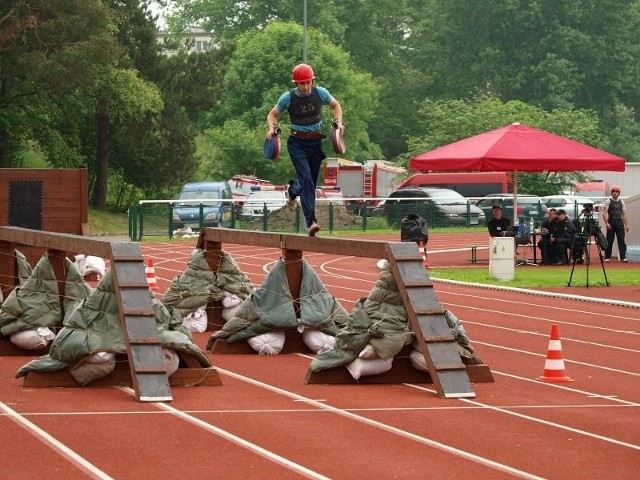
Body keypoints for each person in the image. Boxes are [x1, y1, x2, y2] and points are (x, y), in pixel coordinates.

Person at [266, 63, 345, 236]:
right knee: (308, 179)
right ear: (296, 84)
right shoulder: (287, 98)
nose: (306, 86)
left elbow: (335, 106)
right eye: (302, 83)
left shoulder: (321, 93)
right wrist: (272, 128)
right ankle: (311, 222)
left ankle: (293, 190)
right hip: (297, 144)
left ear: (312, 81)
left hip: (316, 143)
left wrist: (338, 123)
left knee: (307, 182)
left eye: (308, 82)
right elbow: (272, 114)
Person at [602, 186, 629, 262]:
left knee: (621, 239)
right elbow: (604, 213)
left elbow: (624, 214)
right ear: (611, 193)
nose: (615, 193)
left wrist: (626, 225)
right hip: (611, 221)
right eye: (613, 191)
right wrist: (606, 223)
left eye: (616, 192)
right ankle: (607, 257)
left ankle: (623, 257)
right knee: (609, 240)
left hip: (619, 222)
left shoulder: (622, 202)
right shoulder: (608, 201)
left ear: (619, 193)